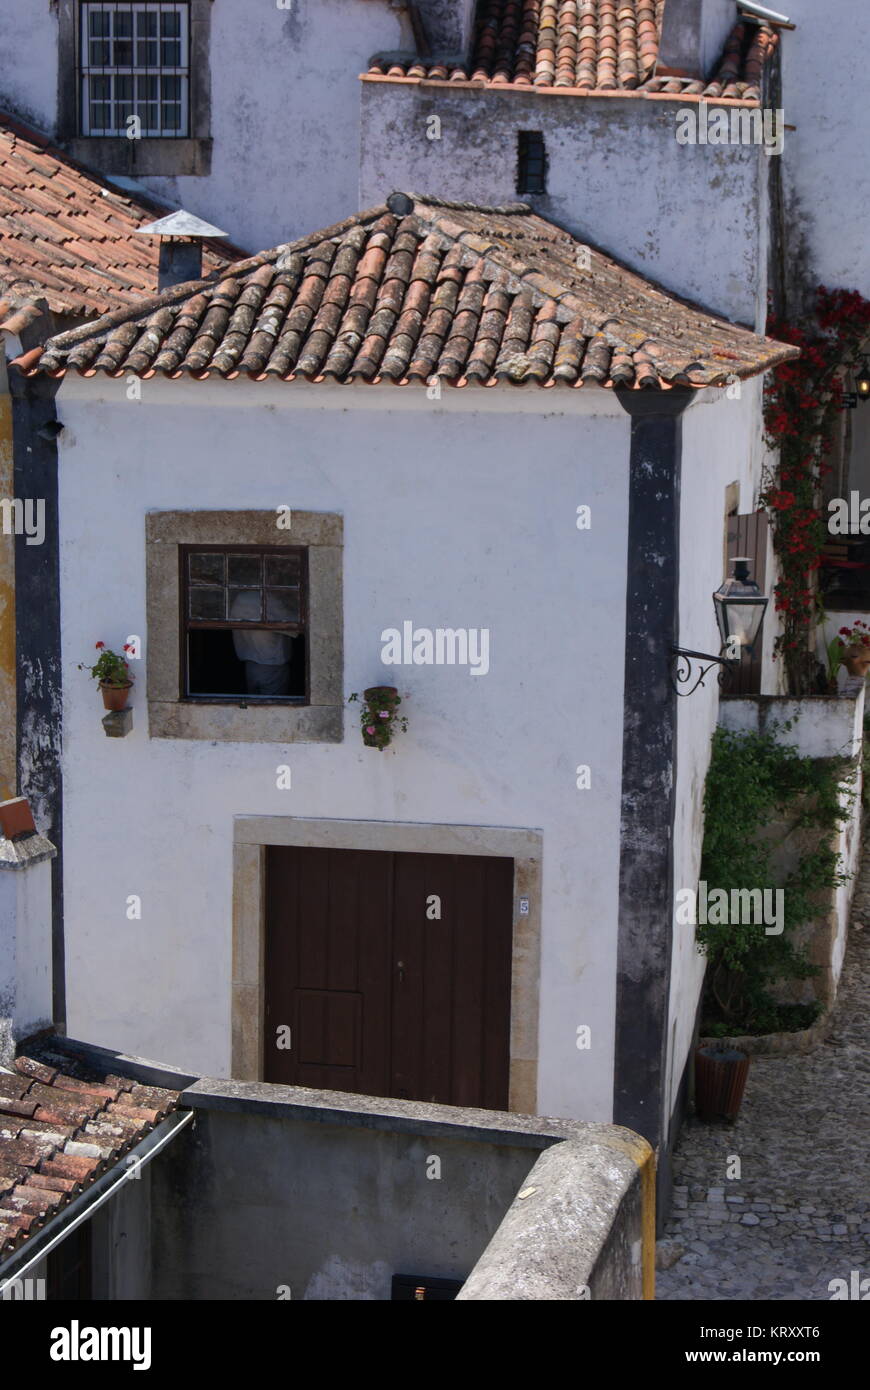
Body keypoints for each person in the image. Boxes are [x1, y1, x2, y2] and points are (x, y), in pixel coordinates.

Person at [229, 589, 291, 696]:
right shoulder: (270, 599)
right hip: (272, 664)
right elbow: (293, 626)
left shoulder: (240, 599)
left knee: (253, 704)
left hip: (250, 664)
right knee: (272, 707)